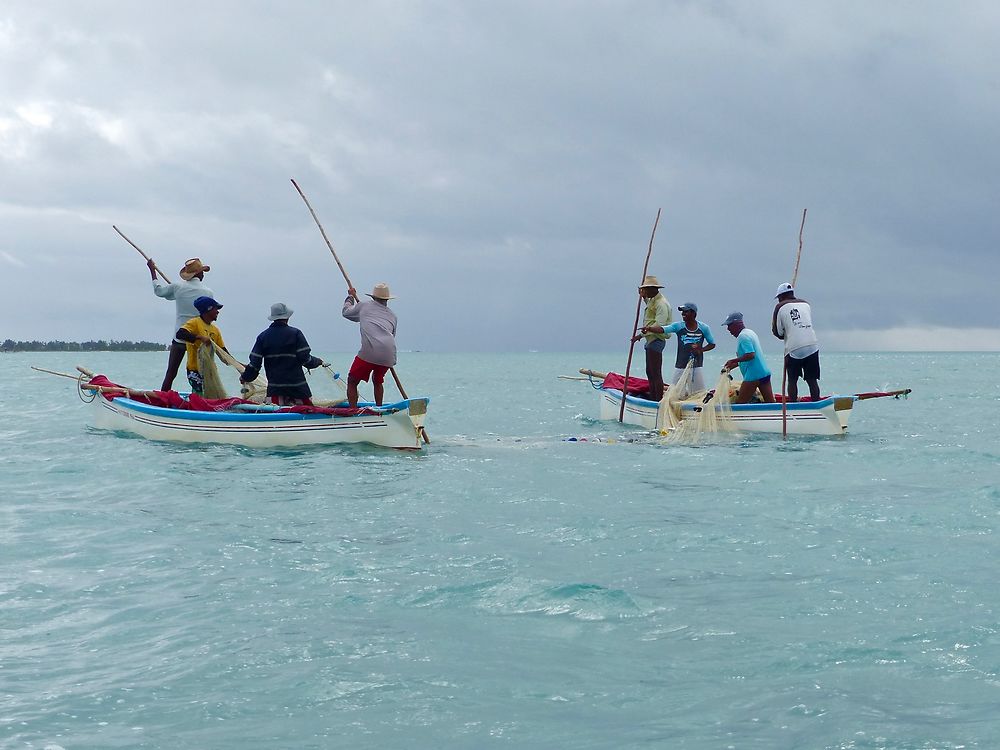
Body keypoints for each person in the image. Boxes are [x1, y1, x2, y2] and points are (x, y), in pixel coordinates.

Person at [149, 257, 214, 391]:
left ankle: (163, 398)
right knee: (199, 374)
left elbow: (159, 291)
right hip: (199, 338)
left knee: (171, 372)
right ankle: (200, 399)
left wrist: (152, 271)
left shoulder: (178, 287)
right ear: (200, 274)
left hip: (181, 336)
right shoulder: (209, 292)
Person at [240, 303, 325, 406]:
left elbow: (255, 364)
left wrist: (245, 377)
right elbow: (306, 360)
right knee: (305, 412)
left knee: (275, 414)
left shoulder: (263, 337)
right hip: (298, 390)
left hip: (275, 391)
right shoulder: (296, 334)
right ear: (287, 317)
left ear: (273, 318)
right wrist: (318, 361)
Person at [342, 283, 397, 408]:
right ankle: (379, 408)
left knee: (352, 380)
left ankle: (353, 410)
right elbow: (392, 334)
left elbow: (346, 312)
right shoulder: (393, 316)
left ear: (373, 297)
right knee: (378, 381)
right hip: (389, 353)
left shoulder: (364, 306)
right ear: (387, 299)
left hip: (370, 352)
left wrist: (350, 297)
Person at [771, 282, 821, 401]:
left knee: (792, 380)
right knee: (812, 380)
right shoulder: (806, 304)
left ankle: (792, 405)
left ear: (781, 296)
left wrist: (786, 333)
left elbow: (778, 332)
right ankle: (816, 404)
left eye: (778, 298)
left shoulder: (779, 307)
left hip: (794, 347)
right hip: (812, 345)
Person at [174, 295, 229, 396]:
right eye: (216, 309)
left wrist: (239, 366)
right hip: (194, 370)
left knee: (211, 396)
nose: (218, 312)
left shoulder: (215, 330)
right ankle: (194, 407)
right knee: (200, 393)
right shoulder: (194, 323)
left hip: (209, 372)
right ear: (208, 309)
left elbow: (224, 354)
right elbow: (180, 334)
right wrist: (200, 337)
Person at [629, 275, 672, 401]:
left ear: (653, 289)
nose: (645, 292)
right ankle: (653, 396)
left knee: (655, 373)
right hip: (650, 339)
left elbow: (659, 324)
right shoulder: (653, 300)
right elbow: (649, 306)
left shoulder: (661, 304)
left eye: (646, 290)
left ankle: (657, 399)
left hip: (656, 340)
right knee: (650, 372)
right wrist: (643, 297)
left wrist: (643, 332)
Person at [662, 302, 716, 397]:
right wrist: (649, 328)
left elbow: (712, 344)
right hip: (680, 366)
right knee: (675, 394)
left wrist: (701, 349)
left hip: (696, 366)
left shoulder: (703, 328)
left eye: (686, 311)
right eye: (682, 312)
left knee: (698, 395)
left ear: (693, 313)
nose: (683, 314)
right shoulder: (678, 326)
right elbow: (664, 329)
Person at [721, 312, 775, 404]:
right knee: (770, 403)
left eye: (729, 325)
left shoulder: (743, 337)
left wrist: (732, 360)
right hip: (764, 373)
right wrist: (730, 366)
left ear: (737, 324)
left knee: (740, 403)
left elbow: (750, 355)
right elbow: (747, 358)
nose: (728, 329)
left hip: (753, 376)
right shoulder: (750, 332)